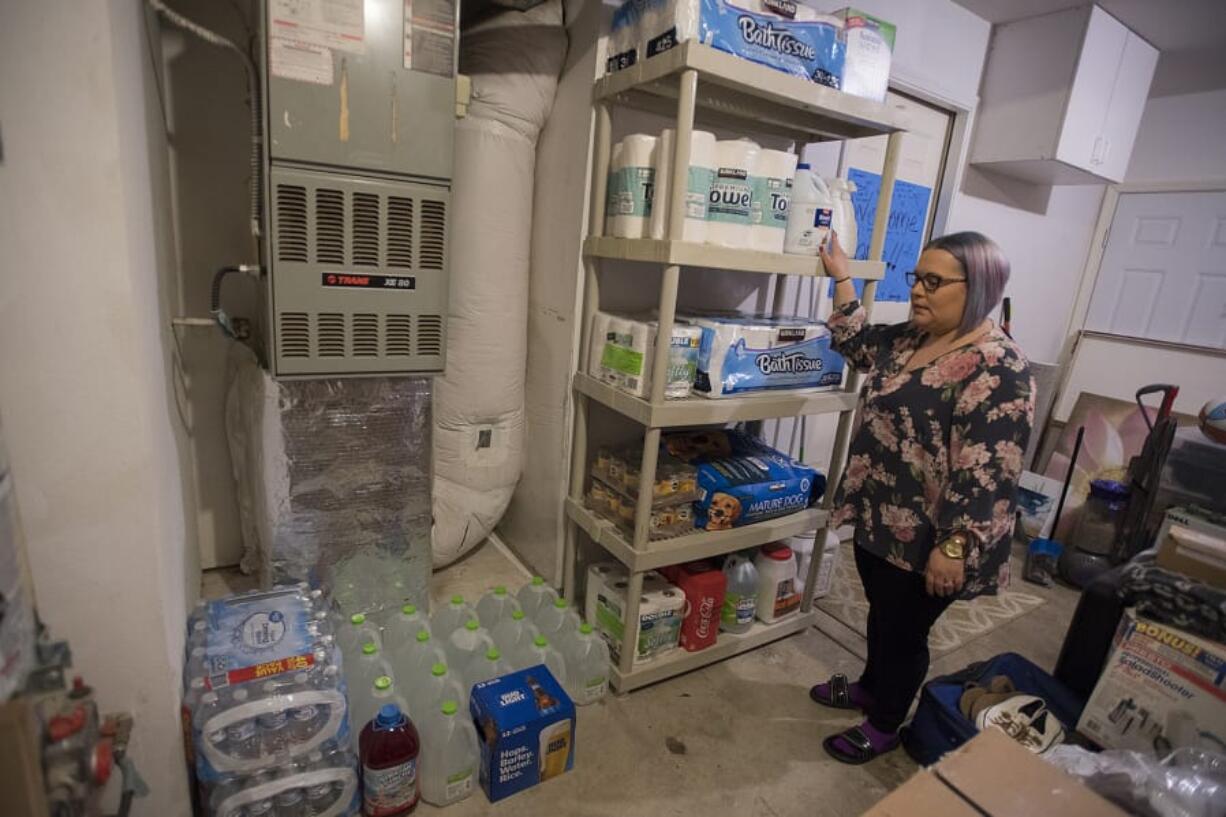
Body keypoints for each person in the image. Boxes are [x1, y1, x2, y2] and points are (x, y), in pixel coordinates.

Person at [809, 230, 1035, 764]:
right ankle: (870, 686)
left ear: (977, 287)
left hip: (935, 535)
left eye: (935, 282)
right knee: (882, 614)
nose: (918, 291)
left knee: (906, 630)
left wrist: (955, 547)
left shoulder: (998, 366)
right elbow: (856, 341)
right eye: (917, 278)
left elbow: (990, 469)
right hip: (881, 515)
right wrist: (842, 276)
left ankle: (885, 722)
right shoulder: (912, 339)